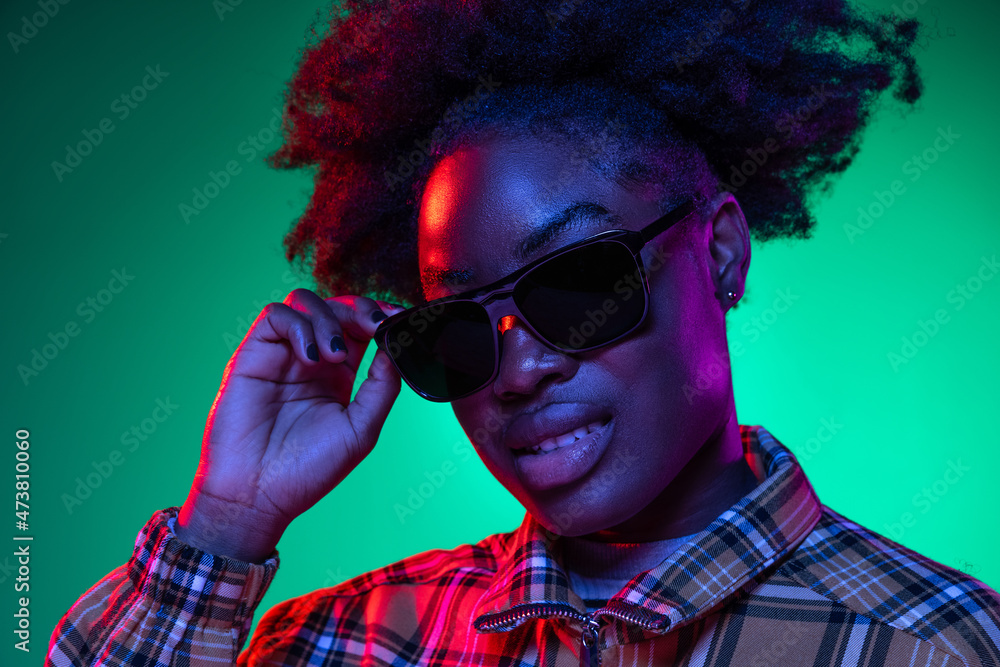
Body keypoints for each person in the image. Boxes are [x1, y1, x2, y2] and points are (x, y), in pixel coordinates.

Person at [46, 0, 1000, 665]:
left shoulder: (930, 645)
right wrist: (227, 524)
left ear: (719, 254)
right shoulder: (349, 643)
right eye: (456, 331)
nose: (518, 369)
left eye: (578, 281)